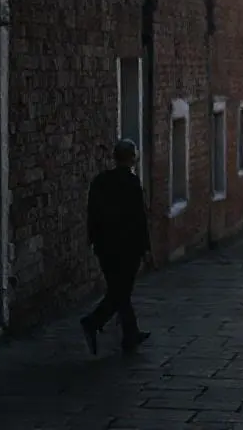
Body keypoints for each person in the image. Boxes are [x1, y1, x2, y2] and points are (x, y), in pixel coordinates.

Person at [80, 138, 151, 355]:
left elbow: (92, 214)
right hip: (127, 249)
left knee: (119, 290)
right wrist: (145, 249)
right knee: (121, 291)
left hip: (105, 248)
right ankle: (92, 321)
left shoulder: (100, 181)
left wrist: (93, 240)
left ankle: (131, 335)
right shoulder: (131, 184)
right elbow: (139, 219)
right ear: (132, 158)